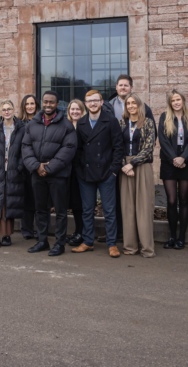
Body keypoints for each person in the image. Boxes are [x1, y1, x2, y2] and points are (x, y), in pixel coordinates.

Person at [21, 91, 77, 256]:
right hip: (37, 173)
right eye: (45, 102)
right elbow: (26, 146)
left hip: (58, 175)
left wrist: (49, 167)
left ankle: (59, 244)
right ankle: (42, 241)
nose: (48, 105)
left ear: (57, 104)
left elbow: (68, 149)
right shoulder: (32, 124)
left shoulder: (66, 125)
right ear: (42, 103)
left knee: (60, 211)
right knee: (40, 209)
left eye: (51, 102)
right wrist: (37, 166)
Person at [72, 90, 124, 256]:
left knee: (109, 210)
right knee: (87, 210)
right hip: (86, 174)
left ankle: (112, 243)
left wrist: (114, 171)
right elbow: (78, 150)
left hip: (106, 173)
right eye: (89, 101)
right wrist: (80, 170)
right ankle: (87, 241)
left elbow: (118, 147)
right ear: (86, 104)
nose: (92, 104)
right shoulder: (81, 123)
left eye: (95, 100)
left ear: (101, 102)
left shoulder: (111, 121)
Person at [157, 90, 188, 249]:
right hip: (169, 162)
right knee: (171, 200)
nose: (176, 102)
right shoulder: (164, 117)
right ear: (170, 103)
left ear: (183, 101)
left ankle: (181, 237)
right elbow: (163, 140)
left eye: (178, 99)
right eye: (173, 100)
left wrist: (184, 158)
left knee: (183, 199)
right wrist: (174, 158)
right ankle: (172, 236)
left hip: (186, 162)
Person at [0, 99, 27, 247]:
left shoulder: (21, 128)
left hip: (14, 172)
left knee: (10, 203)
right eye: (4, 109)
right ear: (1, 112)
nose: (7, 111)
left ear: (14, 110)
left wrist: (20, 166)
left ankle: (7, 235)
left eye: (9, 109)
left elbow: (25, 149)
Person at [119, 94, 157, 258]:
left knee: (143, 208)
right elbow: (117, 146)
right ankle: (130, 247)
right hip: (125, 168)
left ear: (139, 105)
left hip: (142, 166)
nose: (131, 105)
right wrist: (124, 165)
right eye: (128, 103)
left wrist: (132, 164)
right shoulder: (121, 123)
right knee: (127, 208)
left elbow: (149, 147)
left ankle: (147, 248)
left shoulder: (148, 122)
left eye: (134, 103)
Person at [65, 99, 86, 247]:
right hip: (68, 169)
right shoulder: (65, 126)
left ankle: (82, 232)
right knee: (73, 202)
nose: (75, 112)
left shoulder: (85, 126)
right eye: (72, 109)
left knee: (81, 203)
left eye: (78, 109)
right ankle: (77, 230)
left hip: (83, 169)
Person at [18, 94, 39, 240]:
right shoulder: (19, 123)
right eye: (27, 104)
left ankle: (41, 230)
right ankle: (27, 230)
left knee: (40, 199)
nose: (30, 106)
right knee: (26, 200)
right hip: (23, 166)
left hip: (38, 165)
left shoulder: (42, 121)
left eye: (32, 103)